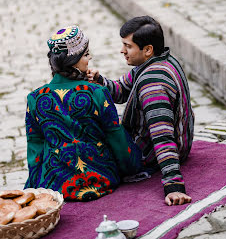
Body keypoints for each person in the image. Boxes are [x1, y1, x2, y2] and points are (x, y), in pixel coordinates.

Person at [25, 26, 142, 201]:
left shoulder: (35, 99)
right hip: (101, 177)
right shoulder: (96, 92)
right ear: (74, 60)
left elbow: (35, 147)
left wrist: (34, 185)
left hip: (56, 184)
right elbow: (115, 136)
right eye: (86, 54)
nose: (90, 58)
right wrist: (133, 165)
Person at [88, 16, 194, 206]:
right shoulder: (158, 61)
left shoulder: (153, 83)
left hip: (148, 155)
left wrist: (173, 185)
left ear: (147, 50)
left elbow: (162, 136)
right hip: (182, 143)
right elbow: (120, 91)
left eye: (128, 46)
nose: (122, 51)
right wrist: (100, 81)